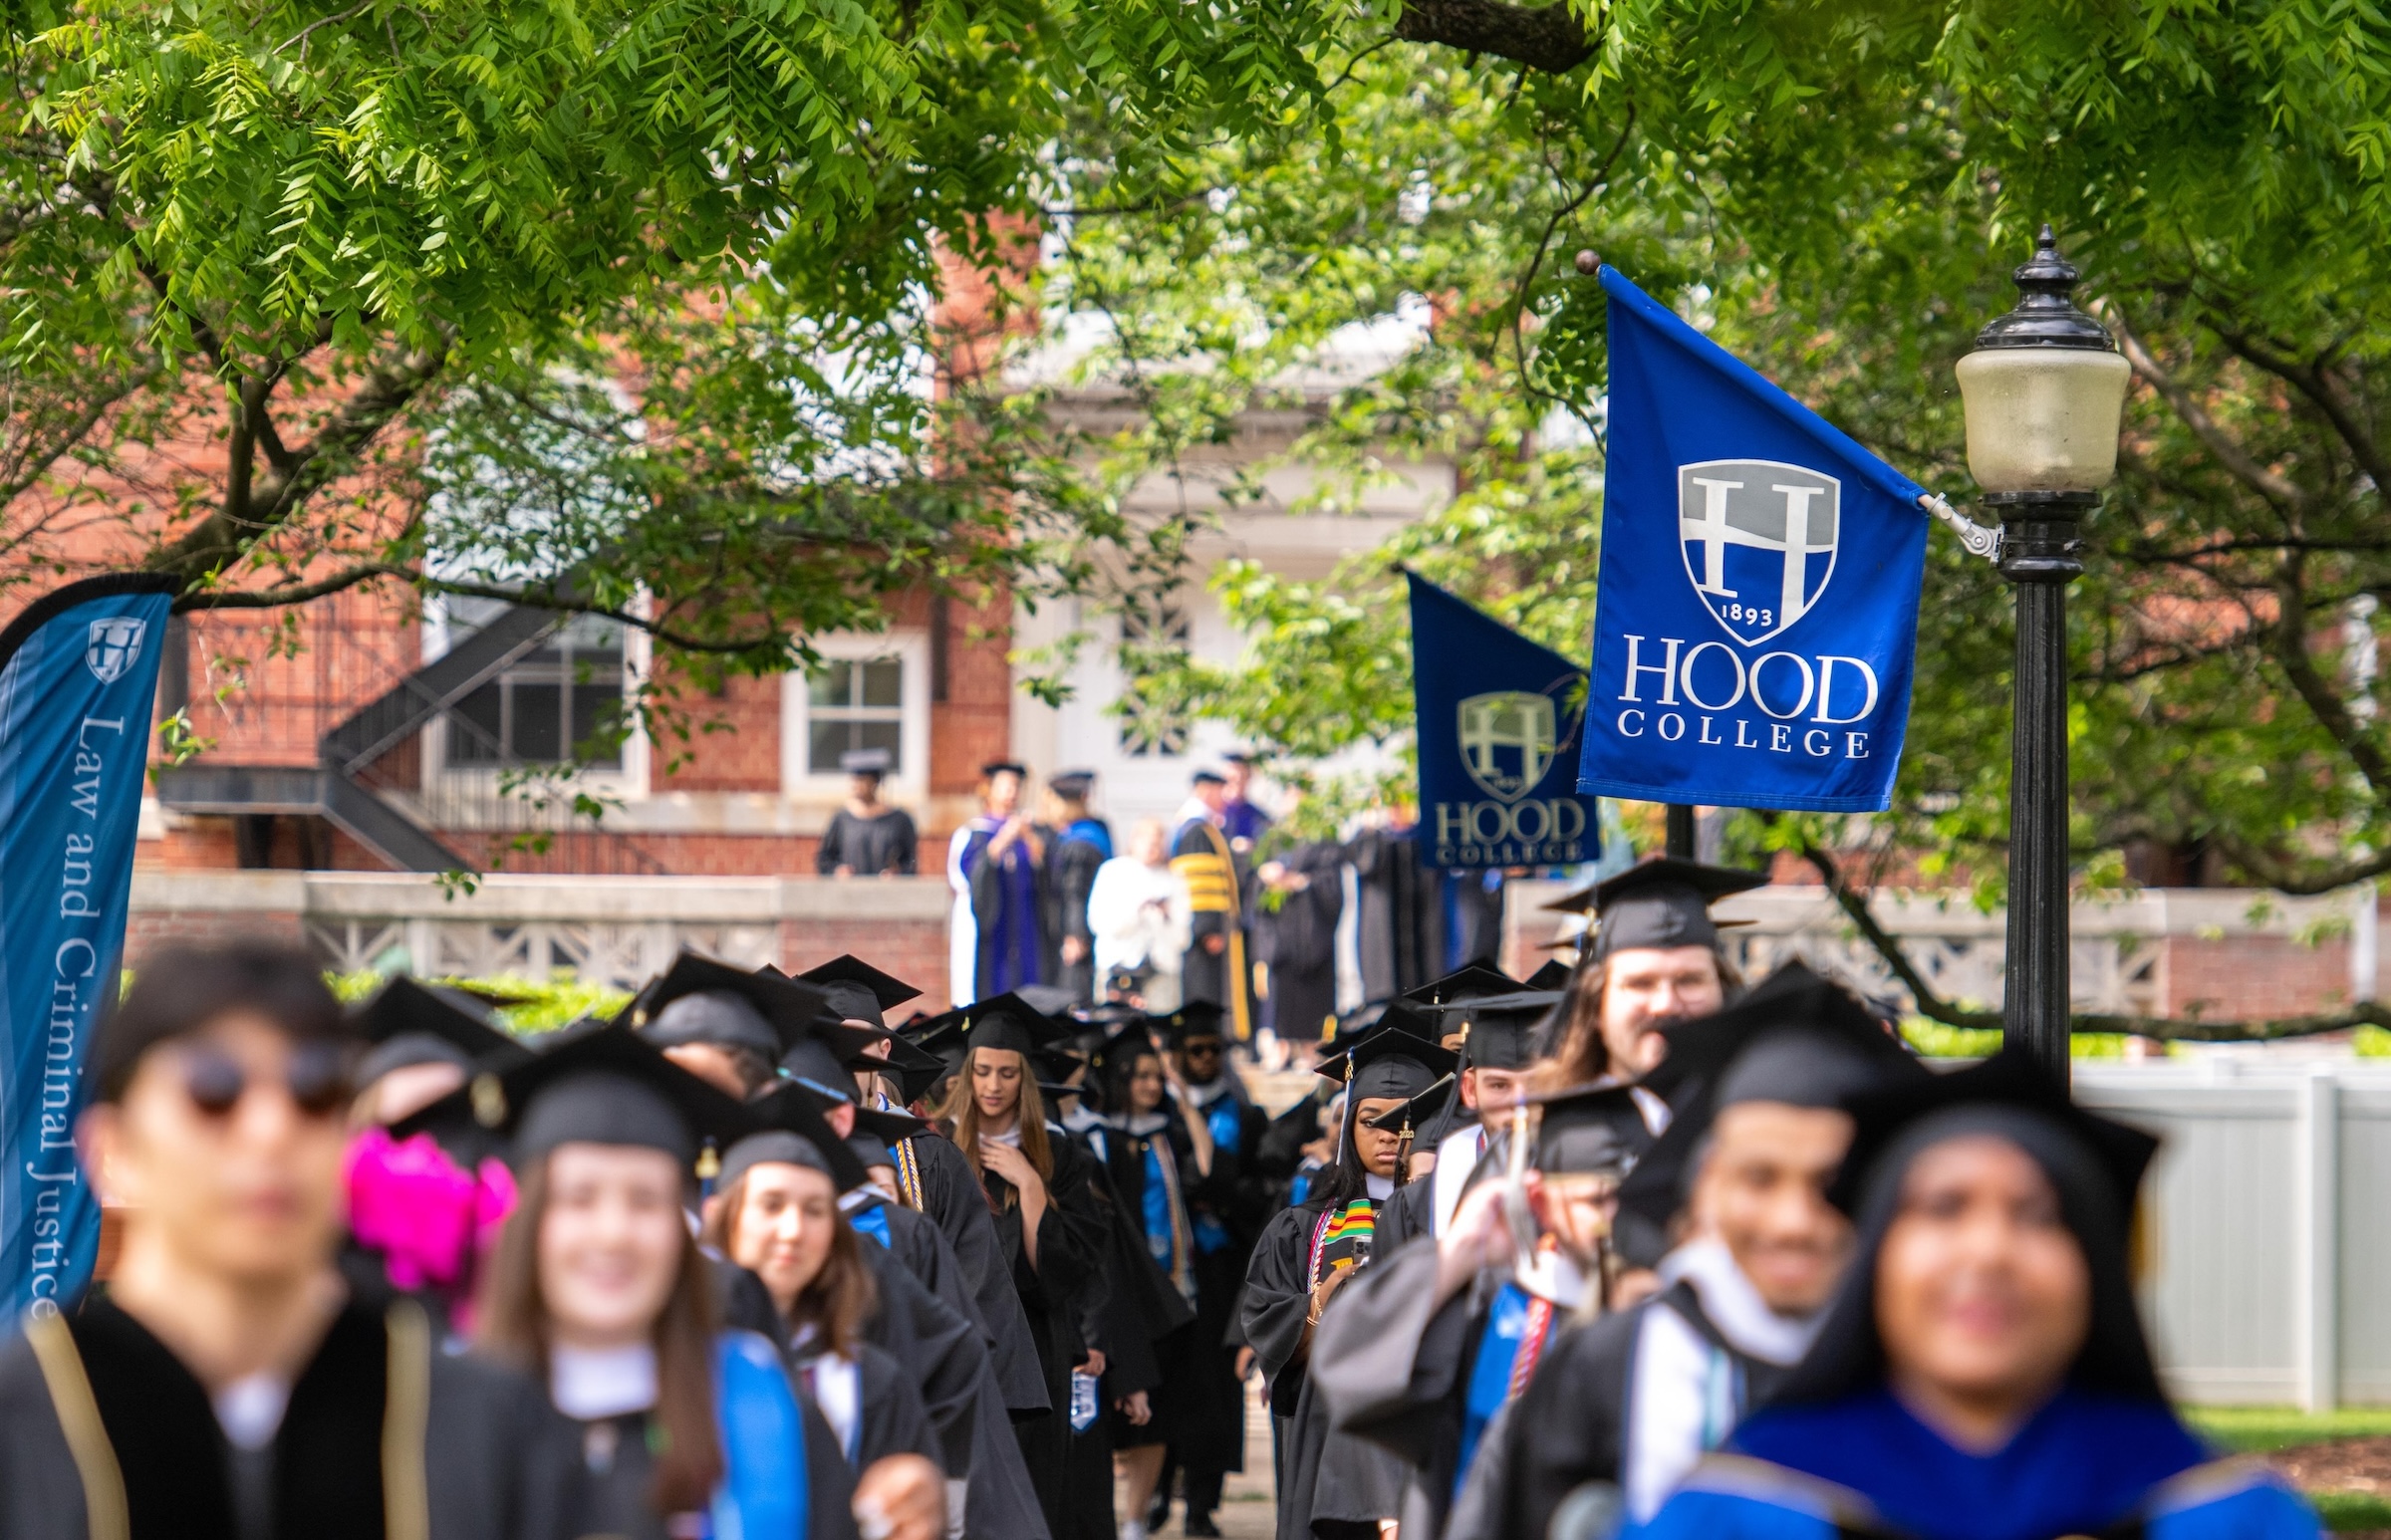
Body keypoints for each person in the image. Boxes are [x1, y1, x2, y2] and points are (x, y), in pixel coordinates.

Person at [0, 942, 588, 1540]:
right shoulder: (20, 1422)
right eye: (214, 1089)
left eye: (314, 1089)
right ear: (112, 1151)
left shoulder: (481, 1426)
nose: (272, 1130)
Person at [1637, 1049, 2321, 1540]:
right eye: (1942, 1208)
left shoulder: (2226, 1514)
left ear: (2096, 1269)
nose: (1988, 1251)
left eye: (2038, 1215)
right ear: (1876, 1257)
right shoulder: (1737, 1509)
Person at [1453, 964, 1933, 1540]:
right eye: (1759, 1178)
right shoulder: (1606, 1368)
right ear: (1705, 1186)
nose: (1794, 1222)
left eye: (1833, 1183)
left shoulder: (1939, 1366)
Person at [468, 1027, 947, 1540]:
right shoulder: (445, 1415)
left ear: (684, 1229)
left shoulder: (767, 1413)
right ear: (529, 1222)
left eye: (646, 1200)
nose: (613, 1234)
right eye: (580, 1198)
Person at [1315, 1079, 1648, 1540]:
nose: (1612, 1222)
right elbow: (1350, 1371)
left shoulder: (1668, 1319)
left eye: (1629, 1200)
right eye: (1593, 1201)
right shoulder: (1494, 1308)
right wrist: (1459, 1252)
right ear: (1540, 1202)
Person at [1240, 1016, 1458, 1540]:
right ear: (1347, 1129)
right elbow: (1270, 1328)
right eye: (1370, 1120)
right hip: (1328, 1427)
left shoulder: (1455, 1218)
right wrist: (1319, 1304)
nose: (1387, 1135)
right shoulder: (1303, 1228)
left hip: (1420, 1422)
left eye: (1402, 1121)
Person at [939, 994, 1111, 1536]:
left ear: (1025, 1079)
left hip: (1037, 1344)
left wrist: (1031, 1186)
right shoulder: (938, 1148)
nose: (992, 1086)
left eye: (1007, 1073)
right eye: (982, 1071)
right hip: (964, 1335)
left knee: (1035, 1487)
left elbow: (1059, 1276)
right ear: (967, 1074)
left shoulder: (1062, 1157)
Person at [701, 1133, 942, 1472]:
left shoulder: (869, 1383)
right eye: (771, 1205)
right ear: (719, 1216)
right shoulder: (661, 1360)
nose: (793, 1230)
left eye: (814, 1210)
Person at [1082, 1024, 1221, 1540]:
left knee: (1160, 1416)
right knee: (1124, 1412)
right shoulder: (1103, 1140)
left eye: (1154, 1076)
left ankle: (1137, 1520)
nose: (1149, 1084)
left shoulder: (1168, 1133)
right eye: (1139, 1076)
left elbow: (1208, 1172)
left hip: (1174, 1291)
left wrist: (1185, 1106)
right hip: (1127, 1292)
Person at [1155, 1003, 1264, 1537]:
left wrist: (1219, 1193)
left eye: (1214, 1050)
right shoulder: (1159, 1113)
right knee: (1168, 1380)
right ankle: (1157, 1491)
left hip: (1221, 1269)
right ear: (1177, 1054)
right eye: (1196, 1050)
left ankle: (1202, 1503)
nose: (1206, 1059)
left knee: (1216, 1389)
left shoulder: (1242, 1113)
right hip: (1172, 1269)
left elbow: (1247, 1189)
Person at [1542, 857, 1768, 1086]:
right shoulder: (1558, 1121)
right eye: (1640, 983)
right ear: (1596, 1005)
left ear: (1725, 992)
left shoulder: (1769, 1116)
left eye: (1690, 981)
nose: (1666, 1005)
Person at [949, 761, 1047, 1003]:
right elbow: (969, 876)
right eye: (1006, 786)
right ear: (989, 790)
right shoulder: (975, 832)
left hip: (1023, 923)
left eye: (1016, 786)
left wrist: (1028, 838)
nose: (1012, 793)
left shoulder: (1029, 832)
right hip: (991, 926)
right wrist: (1005, 838)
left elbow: (1043, 874)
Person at [1172, 770, 1253, 1041]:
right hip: (1203, 935)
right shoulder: (1197, 829)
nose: (1226, 797)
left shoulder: (1201, 826)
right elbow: (1198, 883)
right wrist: (1208, 928)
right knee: (1204, 988)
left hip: (1206, 932)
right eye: (1221, 790)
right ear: (1206, 791)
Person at [1252, 826, 1346, 1054]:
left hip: (1313, 934)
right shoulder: (1273, 839)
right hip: (1281, 935)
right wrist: (1265, 877)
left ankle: (1311, 1049)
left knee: (1313, 998)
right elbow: (1254, 897)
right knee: (1281, 992)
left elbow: (1332, 889)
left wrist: (1301, 882)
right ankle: (1282, 1046)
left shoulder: (1324, 841)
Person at [1088, 819, 1194, 1011]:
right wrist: (1138, 909)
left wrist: (1165, 914)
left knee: (1161, 1032)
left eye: (1159, 844)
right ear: (1134, 840)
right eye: (1149, 843)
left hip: (1161, 968)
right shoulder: (1113, 872)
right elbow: (1099, 922)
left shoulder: (1174, 878)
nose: (1154, 849)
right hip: (1118, 968)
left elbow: (1184, 935)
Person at [1039, 771, 1114, 1005]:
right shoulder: (1096, 830)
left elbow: (1075, 893)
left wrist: (1075, 935)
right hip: (1096, 924)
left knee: (1075, 995)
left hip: (1080, 931)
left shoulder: (1078, 842)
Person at [817, 748, 920, 877]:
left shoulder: (899, 820)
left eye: (861, 780)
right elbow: (824, 861)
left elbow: (911, 863)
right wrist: (837, 871)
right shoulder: (842, 820)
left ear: (875, 782)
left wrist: (897, 874)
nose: (855, 785)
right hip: (849, 893)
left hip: (887, 893)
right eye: (854, 780)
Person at [1219, 752, 1274, 849]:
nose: (1238, 784)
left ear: (1249, 778)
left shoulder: (1258, 817)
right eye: (1233, 779)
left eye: (1242, 778)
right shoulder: (1214, 811)